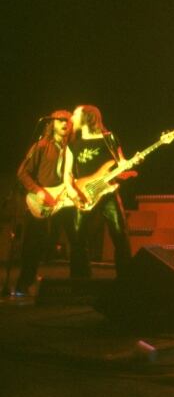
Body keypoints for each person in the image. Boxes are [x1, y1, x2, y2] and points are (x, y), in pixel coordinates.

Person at [62, 105, 133, 279]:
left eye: (75, 114)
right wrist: (71, 190)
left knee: (120, 235)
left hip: (108, 192)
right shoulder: (72, 144)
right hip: (83, 194)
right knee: (77, 240)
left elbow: (121, 161)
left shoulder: (109, 138)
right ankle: (80, 282)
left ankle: (126, 280)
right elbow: (67, 173)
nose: (71, 117)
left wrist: (125, 167)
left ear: (87, 117)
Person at [13, 110, 74, 296]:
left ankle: (79, 284)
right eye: (60, 120)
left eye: (68, 121)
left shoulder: (73, 148)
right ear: (52, 123)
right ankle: (24, 284)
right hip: (41, 201)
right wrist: (38, 191)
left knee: (76, 239)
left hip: (65, 201)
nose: (65, 123)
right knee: (32, 243)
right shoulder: (41, 145)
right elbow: (22, 173)